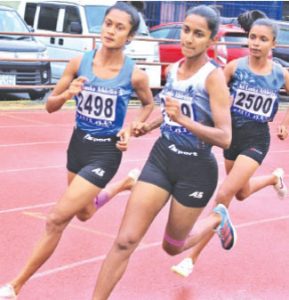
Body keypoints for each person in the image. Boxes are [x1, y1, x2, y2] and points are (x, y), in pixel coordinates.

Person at [0, 2, 154, 299]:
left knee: (57, 219)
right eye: (108, 23)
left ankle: (14, 286)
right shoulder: (78, 63)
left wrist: (131, 128)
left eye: (119, 27)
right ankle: (125, 185)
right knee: (84, 212)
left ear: (130, 36)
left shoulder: (135, 75)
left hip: (105, 153)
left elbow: (148, 104)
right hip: (78, 146)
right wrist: (67, 95)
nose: (110, 31)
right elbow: (49, 106)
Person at [92, 5, 234, 299]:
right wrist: (153, 124)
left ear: (211, 40)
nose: (189, 39)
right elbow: (171, 113)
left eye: (198, 34)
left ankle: (217, 219)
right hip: (161, 159)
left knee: (172, 247)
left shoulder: (212, 78)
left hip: (196, 170)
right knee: (125, 241)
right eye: (186, 30)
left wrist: (183, 120)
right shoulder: (174, 70)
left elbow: (225, 138)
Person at [171, 17, 289, 278]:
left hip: (257, 140)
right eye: (252, 37)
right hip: (231, 138)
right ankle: (273, 178)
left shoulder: (280, 74)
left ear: (273, 43)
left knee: (224, 195)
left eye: (262, 39)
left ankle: (191, 259)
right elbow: (212, 94)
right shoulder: (234, 68)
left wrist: (285, 122)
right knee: (242, 193)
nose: (255, 43)